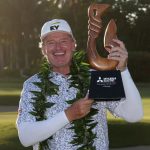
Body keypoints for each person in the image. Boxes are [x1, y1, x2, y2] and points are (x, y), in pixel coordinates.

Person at [16, 19, 143, 150]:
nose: (58, 47)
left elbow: (134, 115)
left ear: (73, 45)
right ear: (43, 49)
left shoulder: (96, 78)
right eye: (51, 42)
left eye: (63, 41)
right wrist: (69, 114)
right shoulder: (32, 85)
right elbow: (26, 137)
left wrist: (123, 70)